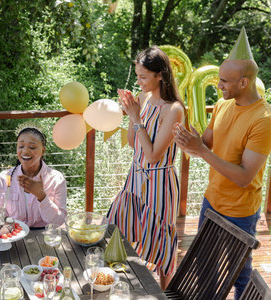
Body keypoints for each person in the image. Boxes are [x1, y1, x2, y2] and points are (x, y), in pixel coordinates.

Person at [173, 27, 271, 299]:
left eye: (223, 81)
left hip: (240, 211)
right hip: (212, 201)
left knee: (239, 273)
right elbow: (207, 143)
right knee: (203, 267)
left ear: (244, 83)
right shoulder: (222, 105)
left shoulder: (264, 120)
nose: (218, 85)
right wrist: (190, 141)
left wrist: (201, 150)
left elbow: (244, 176)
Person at [107, 46, 185, 290]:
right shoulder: (143, 98)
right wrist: (132, 113)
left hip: (159, 181)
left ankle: (163, 291)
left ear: (160, 75)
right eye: (137, 75)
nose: (138, 82)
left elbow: (152, 156)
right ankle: (116, 280)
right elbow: (133, 142)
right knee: (118, 223)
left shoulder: (173, 109)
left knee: (160, 237)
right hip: (135, 177)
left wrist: (137, 119)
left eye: (143, 77)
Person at [0, 127, 67, 228]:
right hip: (13, 235)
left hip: (44, 235)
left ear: (43, 151)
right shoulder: (5, 178)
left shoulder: (56, 179)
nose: (25, 151)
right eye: (21, 146)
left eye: (32, 147)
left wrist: (41, 196)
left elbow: (60, 221)